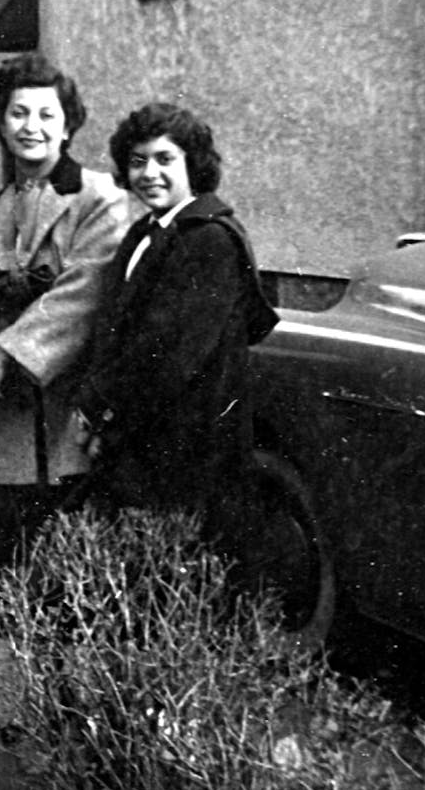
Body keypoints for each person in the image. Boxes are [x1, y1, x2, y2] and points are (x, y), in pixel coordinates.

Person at [70, 102, 278, 555]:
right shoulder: (145, 232)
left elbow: (169, 356)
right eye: (138, 161)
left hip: (189, 443)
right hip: (149, 439)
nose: (150, 173)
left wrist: (107, 415)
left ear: (194, 165)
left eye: (165, 159)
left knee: (185, 573)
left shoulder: (209, 239)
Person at [0, 53, 131, 587]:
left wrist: (4, 352)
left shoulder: (99, 197)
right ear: (0, 122)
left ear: (68, 124)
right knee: (20, 576)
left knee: (79, 577)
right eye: (18, 113)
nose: (30, 127)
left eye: (46, 115)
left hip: (69, 414)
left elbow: (83, 291)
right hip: (8, 424)